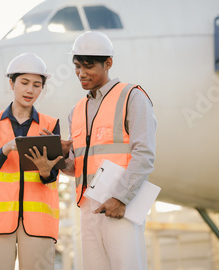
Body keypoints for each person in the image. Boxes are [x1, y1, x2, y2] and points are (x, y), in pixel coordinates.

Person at [63, 31, 157, 270]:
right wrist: (58, 158)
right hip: (88, 208)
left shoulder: (132, 97)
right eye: (77, 66)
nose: (81, 73)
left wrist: (120, 197)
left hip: (121, 204)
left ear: (108, 63)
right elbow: (77, 167)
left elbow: (144, 155)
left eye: (88, 66)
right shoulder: (77, 110)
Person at [0, 52, 64, 270]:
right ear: (11, 83)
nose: (30, 90)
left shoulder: (50, 125)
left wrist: (46, 170)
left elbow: (52, 175)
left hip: (39, 224)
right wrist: (5, 150)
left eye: (36, 85)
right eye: (24, 83)